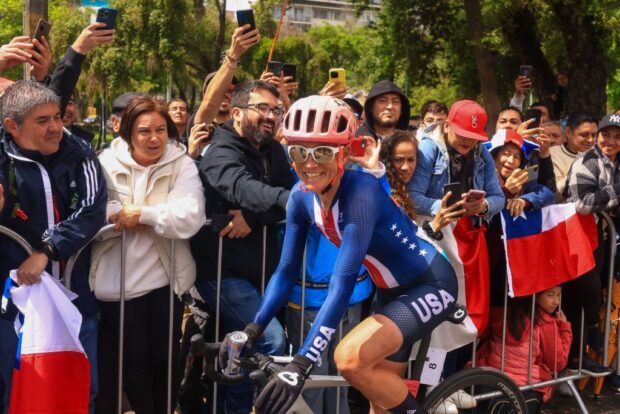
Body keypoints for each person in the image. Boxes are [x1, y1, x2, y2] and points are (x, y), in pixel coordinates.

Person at [219, 95, 458, 414]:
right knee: (381, 401)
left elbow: (342, 284)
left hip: (431, 284)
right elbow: (286, 271)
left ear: (343, 154)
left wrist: (302, 363)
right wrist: (252, 330)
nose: (309, 163)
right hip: (391, 293)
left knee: (349, 359)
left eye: (322, 151)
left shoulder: (360, 194)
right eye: (299, 151)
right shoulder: (300, 197)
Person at [92, 96, 205, 414]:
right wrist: (116, 211)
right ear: (127, 132)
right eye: (144, 131)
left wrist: (143, 215)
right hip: (113, 286)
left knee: (165, 362)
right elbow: (90, 207)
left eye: (161, 129)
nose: (154, 138)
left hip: (164, 282)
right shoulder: (104, 163)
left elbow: (190, 215)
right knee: (134, 365)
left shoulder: (181, 163)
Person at [0, 81, 107, 414]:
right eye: (42, 121)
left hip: (76, 302)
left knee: (80, 392)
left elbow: (93, 210)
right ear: (12, 126)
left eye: (57, 117)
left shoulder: (79, 151)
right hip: (19, 308)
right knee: (19, 395)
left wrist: (46, 251)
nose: (55, 127)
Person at [190, 80, 295, 414]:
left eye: (275, 110)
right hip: (222, 273)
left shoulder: (274, 151)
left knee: (236, 355)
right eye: (261, 108)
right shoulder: (218, 149)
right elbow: (241, 188)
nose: (270, 116)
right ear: (236, 112)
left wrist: (255, 217)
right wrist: (287, 201)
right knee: (270, 340)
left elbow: (287, 191)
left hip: (263, 271)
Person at [564, 113, 620, 375]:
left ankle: (579, 357)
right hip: (577, 238)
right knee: (586, 293)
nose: (611, 140)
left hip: (605, 240)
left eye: (617, 136)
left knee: (593, 296)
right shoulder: (587, 161)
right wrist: (615, 192)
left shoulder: (616, 163)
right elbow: (583, 204)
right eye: (606, 134)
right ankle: (576, 354)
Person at [482, 129, 555, 307]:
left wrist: (525, 199)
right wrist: (506, 192)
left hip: (511, 260)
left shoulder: (522, 178)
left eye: (516, 156)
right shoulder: (481, 175)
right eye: (506, 154)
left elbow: (547, 192)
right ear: (494, 155)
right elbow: (484, 213)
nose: (511, 161)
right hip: (485, 255)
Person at [476, 287, 572, 413]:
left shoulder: (499, 314)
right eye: (550, 295)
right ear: (535, 296)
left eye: (558, 295)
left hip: (491, 379)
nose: (557, 301)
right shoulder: (545, 324)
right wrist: (564, 329)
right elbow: (557, 363)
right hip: (525, 385)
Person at [408, 100, 505, 220]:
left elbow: (498, 197)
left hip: (470, 232)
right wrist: (452, 207)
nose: (468, 140)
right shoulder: (428, 148)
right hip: (435, 229)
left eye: (474, 137)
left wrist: (483, 206)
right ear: (447, 126)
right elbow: (412, 197)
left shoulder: (482, 153)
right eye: (462, 134)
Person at [549, 114, 597, 201]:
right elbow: (556, 193)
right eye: (584, 135)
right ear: (568, 132)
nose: (590, 140)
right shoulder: (552, 154)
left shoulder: (600, 155)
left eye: (593, 135)